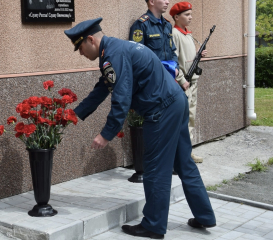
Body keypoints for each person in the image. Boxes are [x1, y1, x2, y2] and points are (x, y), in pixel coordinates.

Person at [64, 18, 216, 238]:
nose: (80, 53)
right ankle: (205, 216)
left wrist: (106, 134)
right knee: (184, 163)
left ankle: (153, 225)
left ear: (90, 40)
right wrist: (74, 115)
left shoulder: (113, 55)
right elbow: (103, 88)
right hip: (176, 103)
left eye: (80, 48)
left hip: (162, 111)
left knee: (155, 169)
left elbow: (121, 97)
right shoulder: (116, 49)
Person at [170, 2, 207, 163]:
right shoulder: (174, 34)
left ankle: (187, 151)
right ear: (176, 17)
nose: (190, 17)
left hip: (193, 82)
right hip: (183, 83)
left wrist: (199, 54)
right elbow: (174, 60)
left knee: (191, 116)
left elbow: (189, 58)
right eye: (186, 14)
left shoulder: (188, 34)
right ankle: (180, 154)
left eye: (191, 14)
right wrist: (181, 80)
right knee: (183, 118)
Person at [129, 0, 179, 78]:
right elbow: (137, 57)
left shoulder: (167, 25)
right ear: (152, 1)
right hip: (152, 79)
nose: (167, 2)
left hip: (169, 78)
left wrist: (176, 69)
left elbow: (172, 51)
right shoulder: (141, 25)